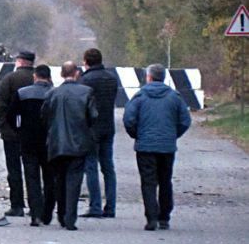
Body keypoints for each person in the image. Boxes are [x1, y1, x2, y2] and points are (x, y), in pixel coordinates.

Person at [123, 63, 191, 231]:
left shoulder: (139, 97)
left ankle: (151, 218)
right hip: (167, 147)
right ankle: (164, 217)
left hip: (145, 147)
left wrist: (137, 135)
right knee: (165, 181)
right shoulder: (175, 97)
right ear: (164, 78)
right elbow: (185, 121)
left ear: (149, 77)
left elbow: (129, 120)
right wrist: (173, 135)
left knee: (148, 182)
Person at [41, 61, 98, 230]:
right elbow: (93, 116)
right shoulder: (86, 92)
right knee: (74, 180)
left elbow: (44, 115)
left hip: (57, 142)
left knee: (59, 179)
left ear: (61, 74)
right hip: (78, 142)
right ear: (77, 73)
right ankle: (70, 218)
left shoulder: (53, 93)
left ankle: (61, 213)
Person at [0, 49, 35, 217]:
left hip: (11, 131)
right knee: (33, 169)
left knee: (14, 169)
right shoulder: (39, 79)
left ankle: (17, 205)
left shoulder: (10, 79)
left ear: (19, 62)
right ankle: (36, 205)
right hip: (35, 132)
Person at [9, 64, 56, 227]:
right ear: (49, 77)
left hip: (28, 140)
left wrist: (18, 131)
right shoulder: (55, 94)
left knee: (32, 177)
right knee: (50, 177)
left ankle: (35, 213)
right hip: (50, 141)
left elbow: (10, 115)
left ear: (35, 76)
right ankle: (48, 212)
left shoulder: (22, 93)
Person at [80, 48, 118, 218]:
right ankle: (110, 207)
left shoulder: (85, 80)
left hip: (91, 129)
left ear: (86, 62)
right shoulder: (111, 78)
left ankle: (95, 206)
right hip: (108, 126)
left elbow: (82, 105)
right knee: (108, 167)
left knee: (91, 166)